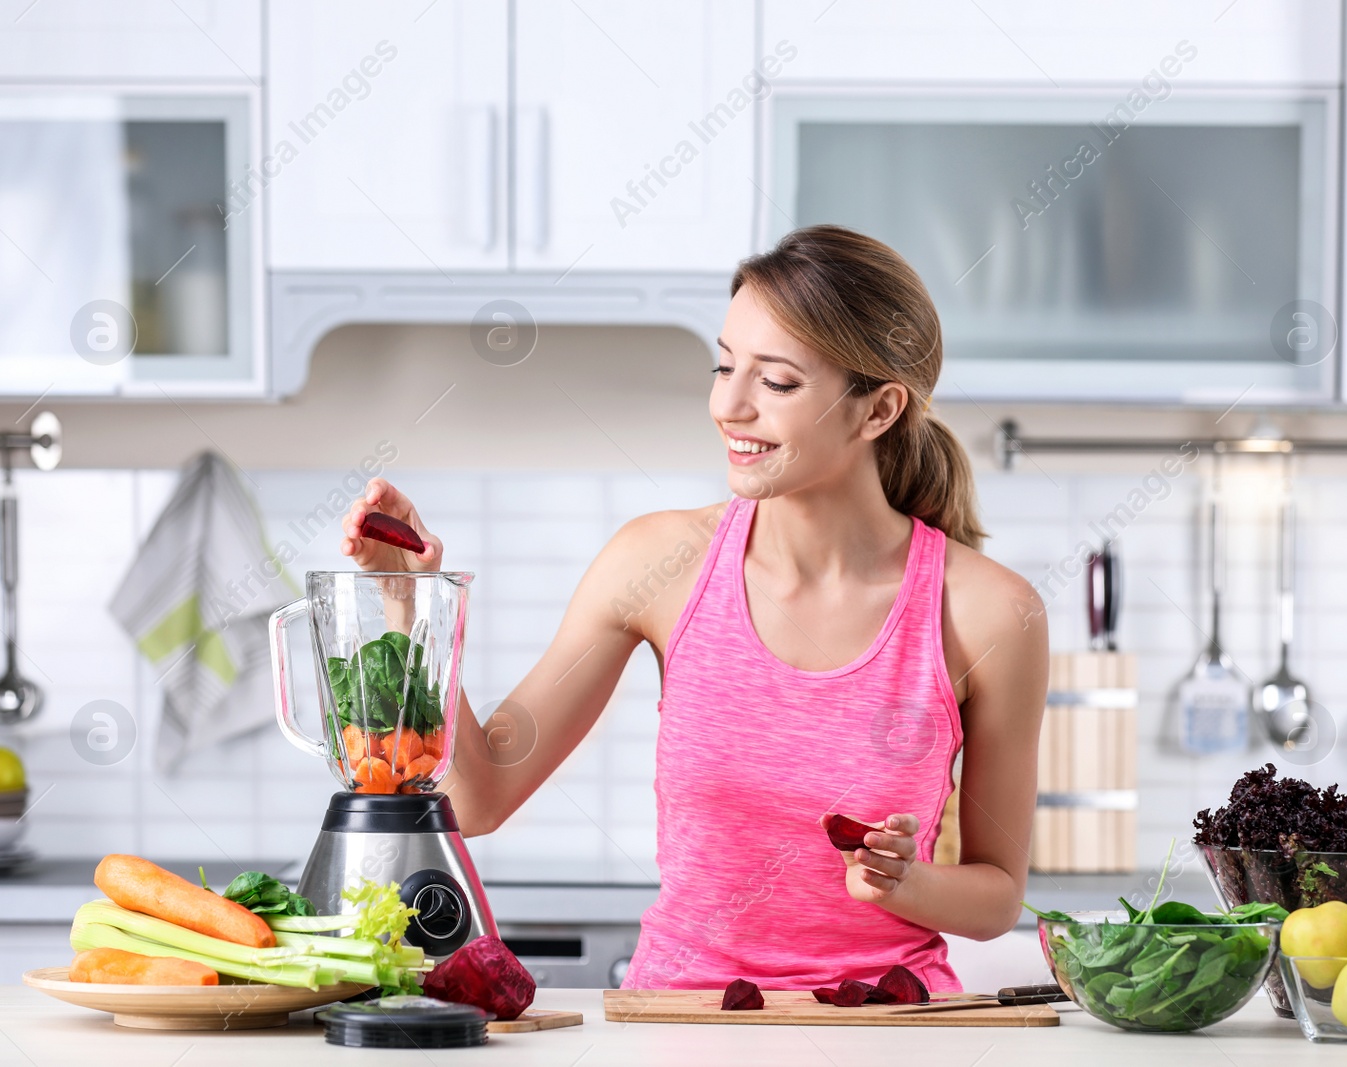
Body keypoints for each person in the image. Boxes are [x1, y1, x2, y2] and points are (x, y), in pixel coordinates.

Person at [341, 224, 1048, 992]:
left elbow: (997, 894)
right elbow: (477, 796)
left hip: (882, 1031)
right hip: (682, 1024)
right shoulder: (657, 564)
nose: (730, 405)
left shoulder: (989, 614)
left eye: (776, 382)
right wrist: (411, 604)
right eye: (723, 365)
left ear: (878, 410)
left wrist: (905, 882)